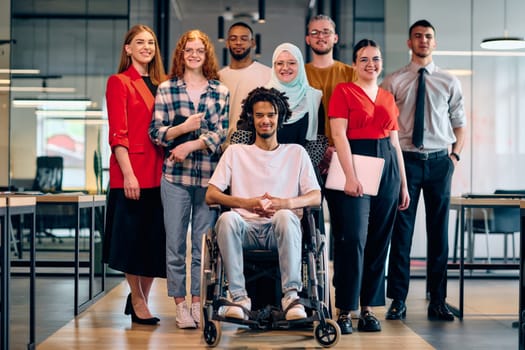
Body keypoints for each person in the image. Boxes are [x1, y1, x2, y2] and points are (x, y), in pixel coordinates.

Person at [205, 87, 321, 321]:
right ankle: (238, 298)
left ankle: (291, 297)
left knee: (286, 216)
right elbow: (211, 194)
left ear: (280, 118)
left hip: (281, 230)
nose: (265, 120)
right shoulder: (236, 153)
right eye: (259, 115)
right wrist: (245, 203)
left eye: (271, 115)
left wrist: (284, 203)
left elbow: (316, 196)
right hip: (244, 230)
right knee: (226, 218)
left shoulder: (296, 153)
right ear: (251, 118)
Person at [381, 20, 466, 322]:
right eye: (417, 36)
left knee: (438, 234)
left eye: (428, 36)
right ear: (409, 42)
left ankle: (438, 301)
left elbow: (459, 124)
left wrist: (453, 159)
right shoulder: (393, 81)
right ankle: (398, 300)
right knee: (401, 233)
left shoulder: (449, 81)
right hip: (406, 162)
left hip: (440, 162)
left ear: (435, 42)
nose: (423, 41)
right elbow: (385, 127)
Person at [326, 39, 410, 334]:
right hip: (355, 163)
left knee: (378, 241)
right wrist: (350, 175)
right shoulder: (343, 91)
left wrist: (403, 183)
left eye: (375, 59)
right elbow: (339, 135)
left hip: (387, 167)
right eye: (364, 59)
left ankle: (367, 309)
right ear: (354, 64)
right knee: (353, 239)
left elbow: (395, 142)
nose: (370, 64)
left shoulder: (387, 97)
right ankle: (345, 309)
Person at [148, 29, 229, 329]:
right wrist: (183, 129)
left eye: (200, 50)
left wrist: (190, 144)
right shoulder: (167, 89)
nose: (194, 54)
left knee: (202, 246)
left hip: (208, 179)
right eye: (188, 50)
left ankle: (198, 302)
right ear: (181, 54)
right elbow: (156, 133)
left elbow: (220, 133)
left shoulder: (220, 91)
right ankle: (180, 306)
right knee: (175, 245)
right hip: (175, 179)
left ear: (207, 55)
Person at [103, 24, 167, 325]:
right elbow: (118, 133)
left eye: (151, 42)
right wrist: (128, 174)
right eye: (139, 42)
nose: (146, 47)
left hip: (162, 173)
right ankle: (139, 299)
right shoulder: (119, 82)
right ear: (127, 48)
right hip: (132, 173)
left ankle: (140, 295)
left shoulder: (164, 83)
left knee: (154, 242)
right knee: (131, 242)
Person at [304, 14, 354, 147]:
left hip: (345, 148)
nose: (320, 36)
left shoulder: (351, 74)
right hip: (308, 149)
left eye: (326, 32)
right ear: (308, 39)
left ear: (335, 38)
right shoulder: (299, 75)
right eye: (315, 33)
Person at [219, 21, 271, 144]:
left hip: (257, 147)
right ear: (227, 43)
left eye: (244, 39)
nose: (238, 42)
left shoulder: (268, 74)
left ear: (252, 43)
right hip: (224, 148)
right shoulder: (218, 77)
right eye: (233, 39)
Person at [265, 42, 322, 145]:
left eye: (291, 63)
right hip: (265, 159)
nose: (285, 68)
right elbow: (249, 134)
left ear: (300, 65)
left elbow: (319, 139)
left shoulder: (314, 97)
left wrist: (302, 160)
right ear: (273, 66)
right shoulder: (262, 97)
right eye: (280, 63)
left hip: (302, 159)